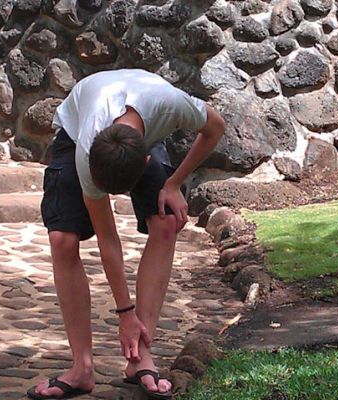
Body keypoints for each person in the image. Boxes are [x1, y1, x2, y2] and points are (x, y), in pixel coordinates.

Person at [27, 69, 225, 400]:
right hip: (76, 130)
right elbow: (108, 239)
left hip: (141, 121)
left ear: (147, 158)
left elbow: (215, 127)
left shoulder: (172, 105)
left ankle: (140, 358)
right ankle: (82, 368)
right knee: (62, 239)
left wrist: (173, 183)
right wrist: (125, 314)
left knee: (166, 221)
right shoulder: (87, 151)